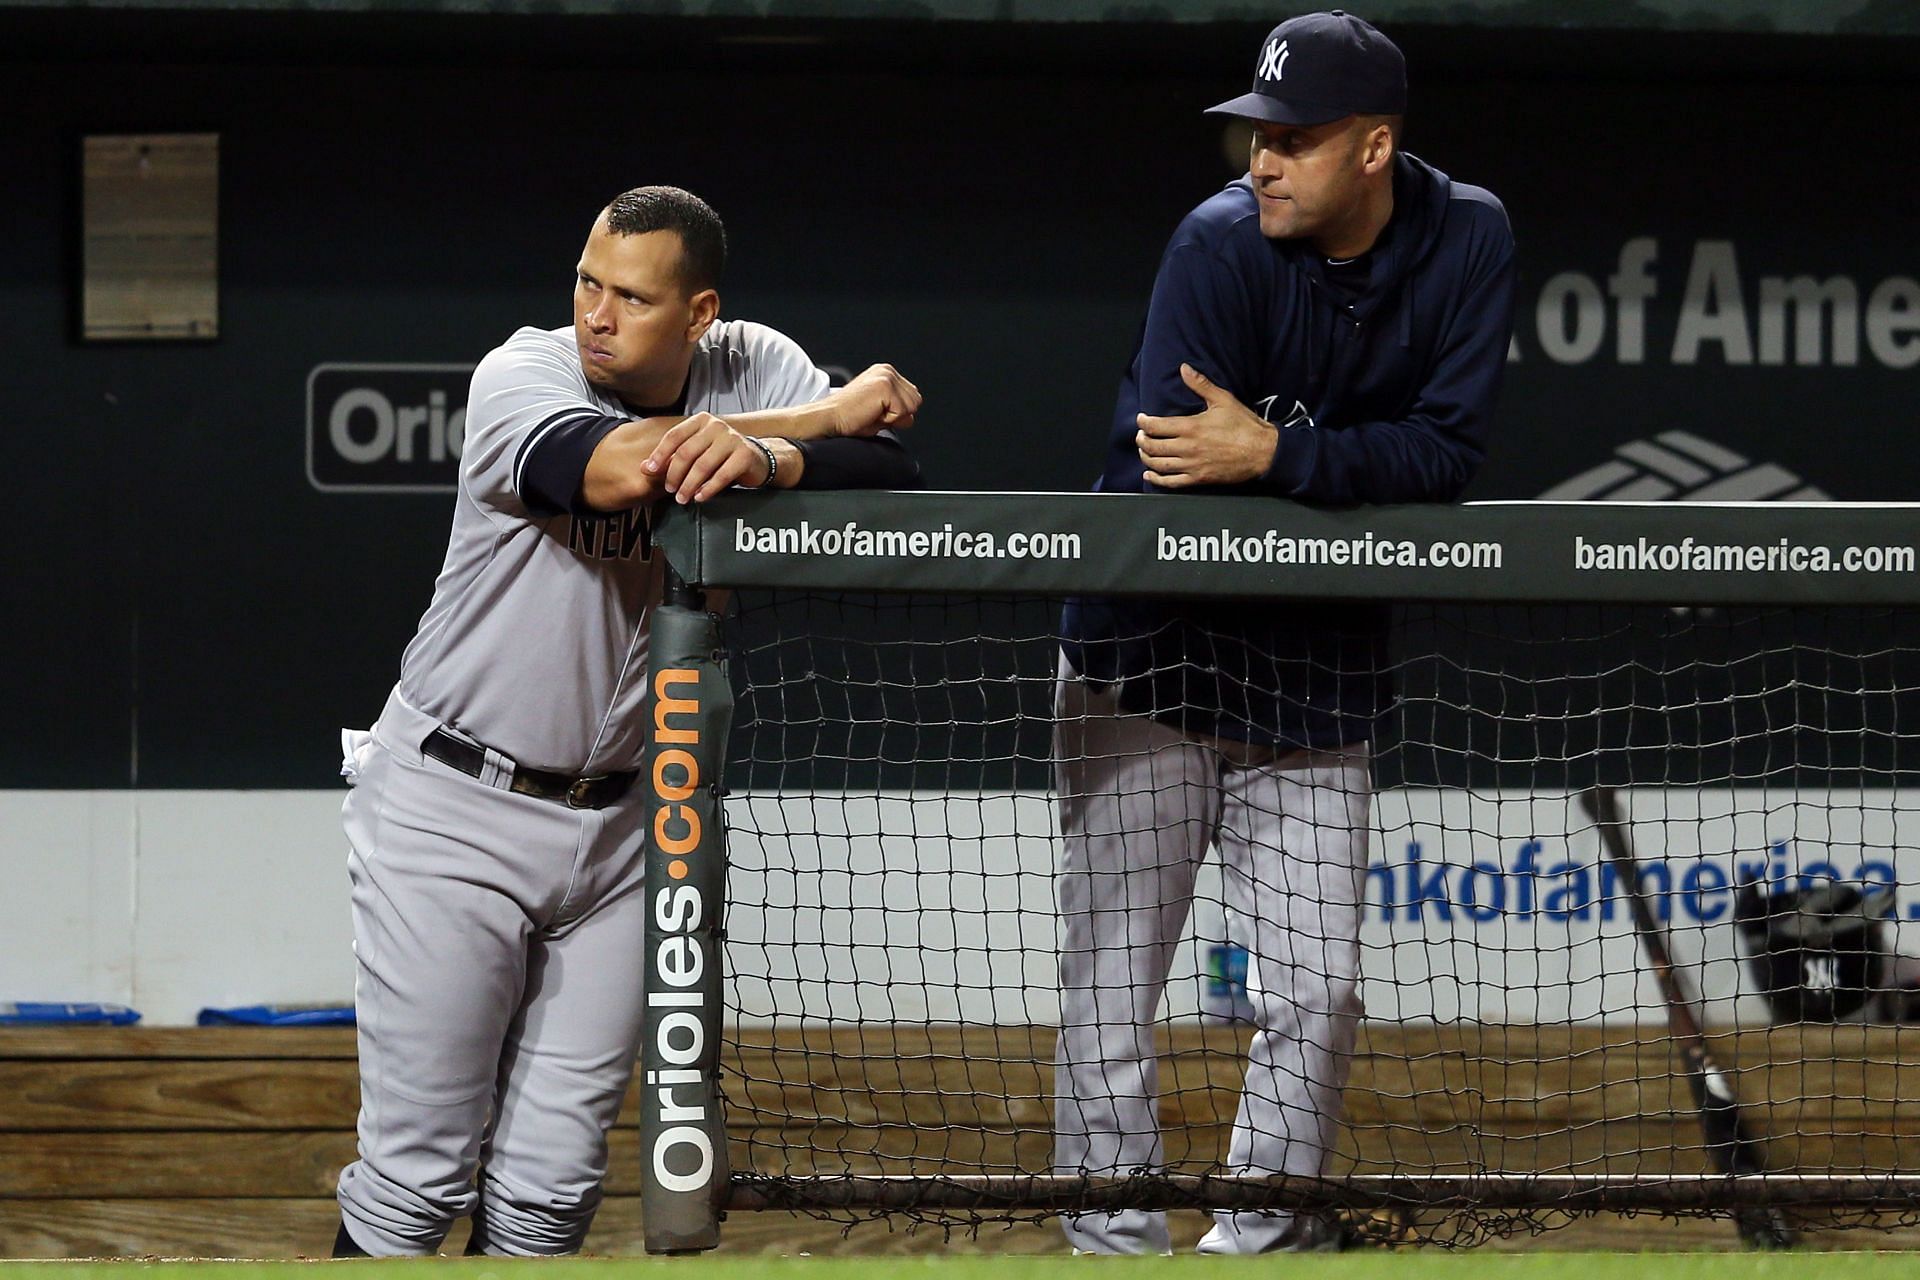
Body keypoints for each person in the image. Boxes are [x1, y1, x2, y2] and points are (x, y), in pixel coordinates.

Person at [332, 186, 921, 1257]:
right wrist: (816, 421)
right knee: (416, 1179)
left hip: (625, 832)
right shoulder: (526, 369)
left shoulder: (749, 362)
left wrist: (781, 457)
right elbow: (614, 467)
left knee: (553, 1191)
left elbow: (889, 464)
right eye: (587, 282)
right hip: (457, 802)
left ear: (698, 313)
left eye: (632, 296)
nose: (597, 312)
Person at [1053, 11, 1516, 1255]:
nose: (1260, 160)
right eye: (1255, 134)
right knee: (1110, 992)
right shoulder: (1214, 245)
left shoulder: (1467, 234)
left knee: (1316, 988)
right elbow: (1172, 464)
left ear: (1373, 148)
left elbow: (1450, 458)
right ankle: (1112, 1239)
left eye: (1293, 139)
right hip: (1143, 654)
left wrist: (1276, 450)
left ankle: (1258, 1240)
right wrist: (1331, 470)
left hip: (1314, 674)